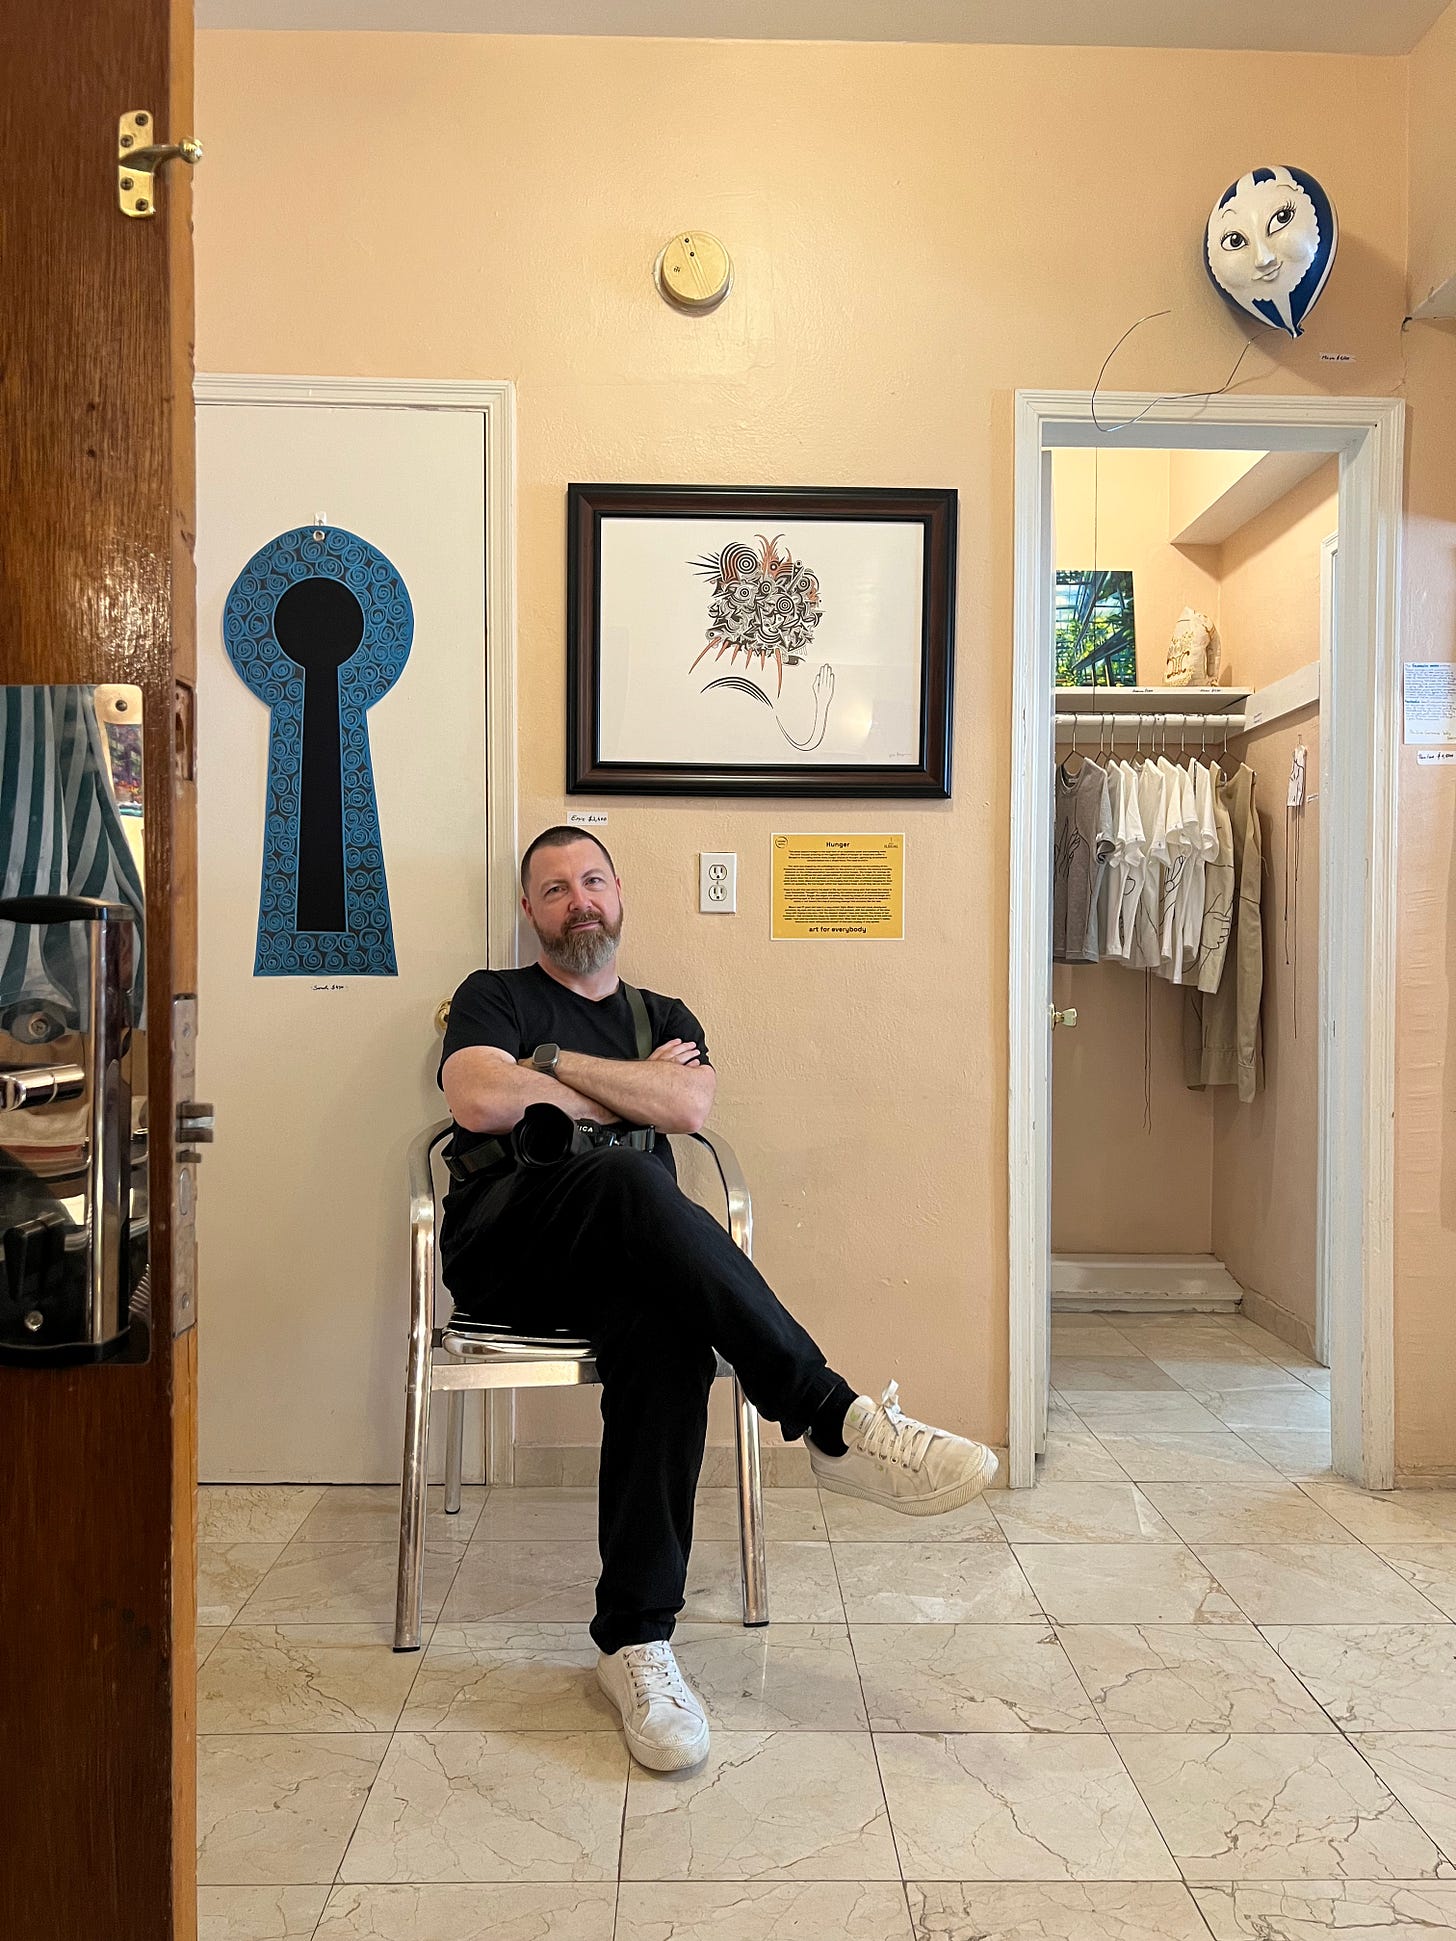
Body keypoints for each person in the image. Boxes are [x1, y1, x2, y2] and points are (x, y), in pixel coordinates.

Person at [439, 825, 998, 1772]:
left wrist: (559, 1071)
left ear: (619, 895)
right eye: (555, 888)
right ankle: (832, 1416)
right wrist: (627, 1088)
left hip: (625, 1273)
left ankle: (634, 1643)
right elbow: (477, 1098)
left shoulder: (664, 1008)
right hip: (510, 1245)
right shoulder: (495, 994)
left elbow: (691, 1110)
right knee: (628, 1182)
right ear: (530, 912)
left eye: (593, 881)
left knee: (670, 1339)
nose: (579, 900)